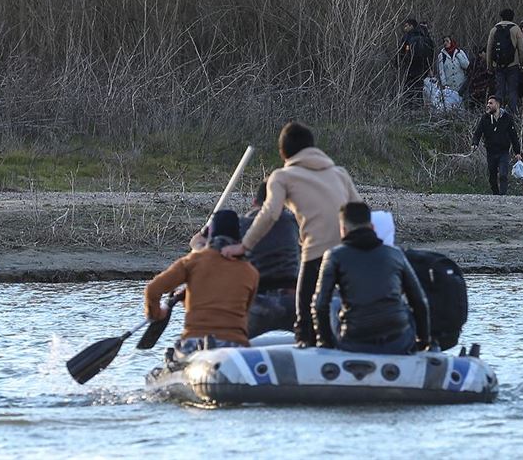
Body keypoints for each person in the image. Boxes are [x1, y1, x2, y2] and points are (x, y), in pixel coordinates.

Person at [221, 122, 361, 348]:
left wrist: (244, 246)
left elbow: (269, 214)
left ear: (283, 152)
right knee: (339, 303)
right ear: (313, 147)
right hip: (348, 251)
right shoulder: (340, 173)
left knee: (304, 310)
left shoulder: (282, 176)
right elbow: (359, 210)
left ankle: (308, 341)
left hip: (316, 252)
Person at [313, 202, 431, 355]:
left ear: (343, 230)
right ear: (372, 227)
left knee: (335, 302)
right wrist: (423, 342)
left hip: (354, 341)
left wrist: (325, 344)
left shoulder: (334, 256)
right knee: (400, 304)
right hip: (399, 341)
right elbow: (420, 302)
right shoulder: (395, 254)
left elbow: (320, 304)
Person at [144, 210, 258, 355]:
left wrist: (157, 314)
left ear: (210, 234)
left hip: (195, 341)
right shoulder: (250, 272)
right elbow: (242, 311)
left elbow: (152, 290)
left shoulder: (192, 262)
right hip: (235, 345)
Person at [240, 180, 300, 338]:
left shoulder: (242, 224)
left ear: (254, 202)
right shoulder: (293, 222)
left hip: (257, 303)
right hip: (293, 300)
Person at [471, 95, 523, 195]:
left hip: (503, 151)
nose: (488, 105)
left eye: (491, 103)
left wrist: (517, 152)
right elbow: (478, 133)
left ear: (497, 104)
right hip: (491, 151)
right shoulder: (485, 118)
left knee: (503, 174)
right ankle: (496, 195)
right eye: (488, 103)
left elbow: (513, 136)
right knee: (492, 177)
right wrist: (475, 143)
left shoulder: (507, 118)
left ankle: (503, 195)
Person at [485, 9, 523, 115]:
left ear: (501, 17)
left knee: (499, 91)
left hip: (498, 65)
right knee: (512, 91)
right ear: (512, 17)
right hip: (513, 65)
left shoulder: (494, 29)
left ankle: (496, 114)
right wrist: (522, 64)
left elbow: (489, 49)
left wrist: (489, 66)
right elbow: (521, 48)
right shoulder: (516, 29)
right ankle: (512, 115)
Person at [397, 18, 435, 103]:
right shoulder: (425, 38)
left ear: (411, 26)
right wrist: (429, 68)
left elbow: (401, 53)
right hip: (421, 69)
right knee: (419, 90)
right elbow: (430, 54)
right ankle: (418, 108)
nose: (405, 28)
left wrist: (400, 63)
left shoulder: (409, 37)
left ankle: (409, 109)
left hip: (410, 68)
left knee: (409, 90)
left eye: (406, 26)